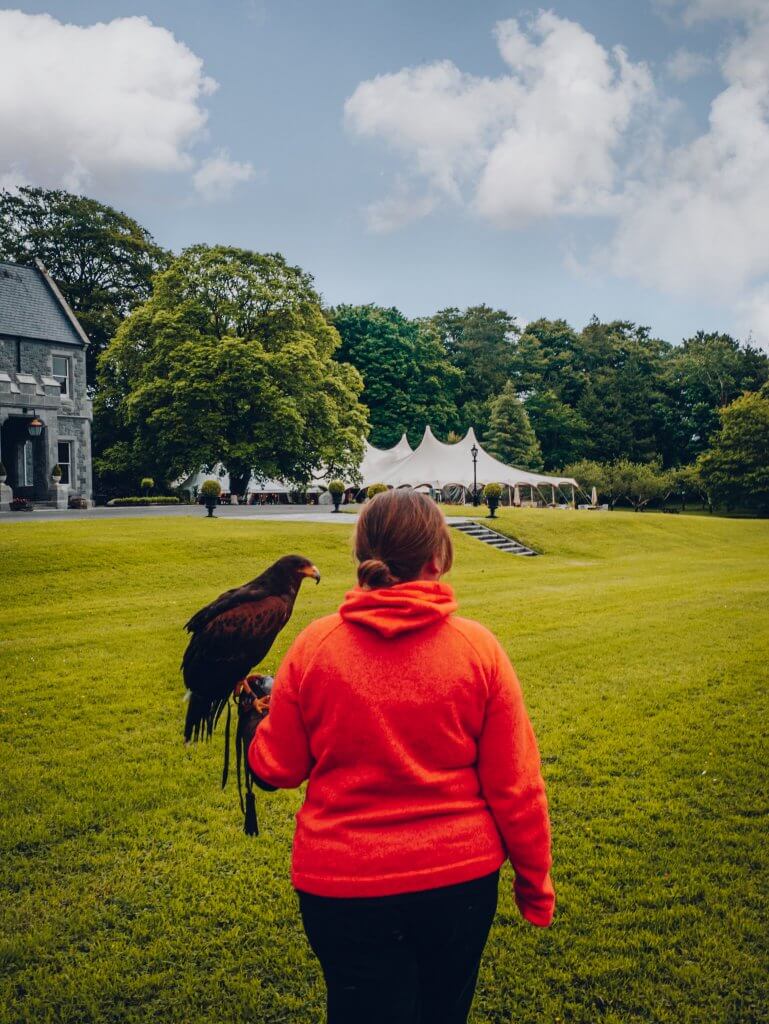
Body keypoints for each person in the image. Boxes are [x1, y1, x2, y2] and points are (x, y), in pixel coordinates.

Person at [248, 488, 554, 1024]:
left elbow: (276, 768)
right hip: (458, 887)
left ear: (362, 556)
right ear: (437, 559)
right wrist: (535, 884)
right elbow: (517, 787)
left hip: (341, 889)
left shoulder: (315, 646)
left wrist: (255, 722)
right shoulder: (478, 649)